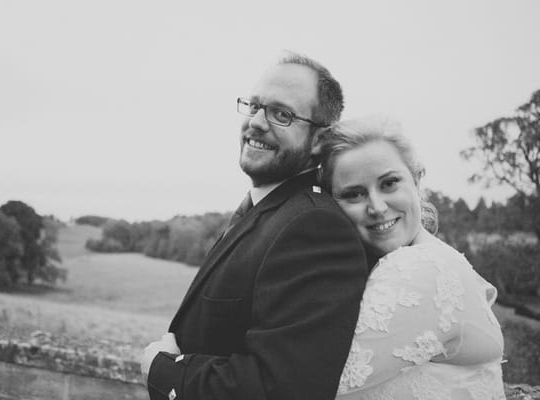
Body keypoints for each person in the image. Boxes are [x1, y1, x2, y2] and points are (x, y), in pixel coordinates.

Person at [140, 52, 370, 400]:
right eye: (254, 106)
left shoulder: (315, 227)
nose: (257, 122)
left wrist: (163, 370)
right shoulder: (267, 210)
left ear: (321, 139)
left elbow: (282, 388)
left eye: (281, 114)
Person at [319, 118, 506, 400]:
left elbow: (309, 379)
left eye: (389, 183)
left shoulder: (422, 268)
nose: (377, 207)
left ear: (416, 180)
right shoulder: (405, 260)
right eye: (354, 194)